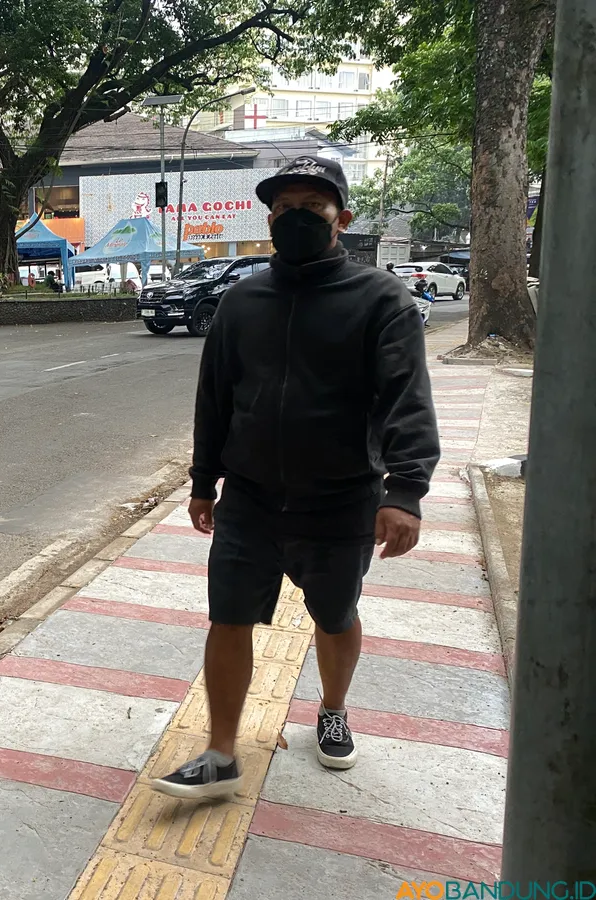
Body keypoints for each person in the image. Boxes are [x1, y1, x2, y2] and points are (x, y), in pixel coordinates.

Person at [151, 156, 440, 801]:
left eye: (313, 207)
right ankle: (220, 754)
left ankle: (333, 709)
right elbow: (215, 398)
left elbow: (406, 398)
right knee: (228, 618)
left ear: (342, 217)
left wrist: (405, 491)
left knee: (335, 617)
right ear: (269, 219)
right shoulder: (242, 301)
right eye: (284, 209)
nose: (296, 218)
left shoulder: (381, 299)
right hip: (250, 499)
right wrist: (203, 481)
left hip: (341, 500)